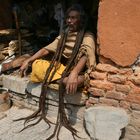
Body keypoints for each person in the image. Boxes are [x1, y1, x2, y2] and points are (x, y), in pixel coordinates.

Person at [20, 4, 96, 94]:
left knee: (77, 81)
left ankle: (60, 79)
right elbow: (46, 49)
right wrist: (28, 60)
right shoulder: (65, 35)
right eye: (68, 17)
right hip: (63, 69)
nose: (69, 21)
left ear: (81, 20)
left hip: (78, 71)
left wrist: (74, 73)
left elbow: (86, 56)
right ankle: (62, 80)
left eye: (73, 18)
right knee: (36, 64)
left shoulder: (87, 36)